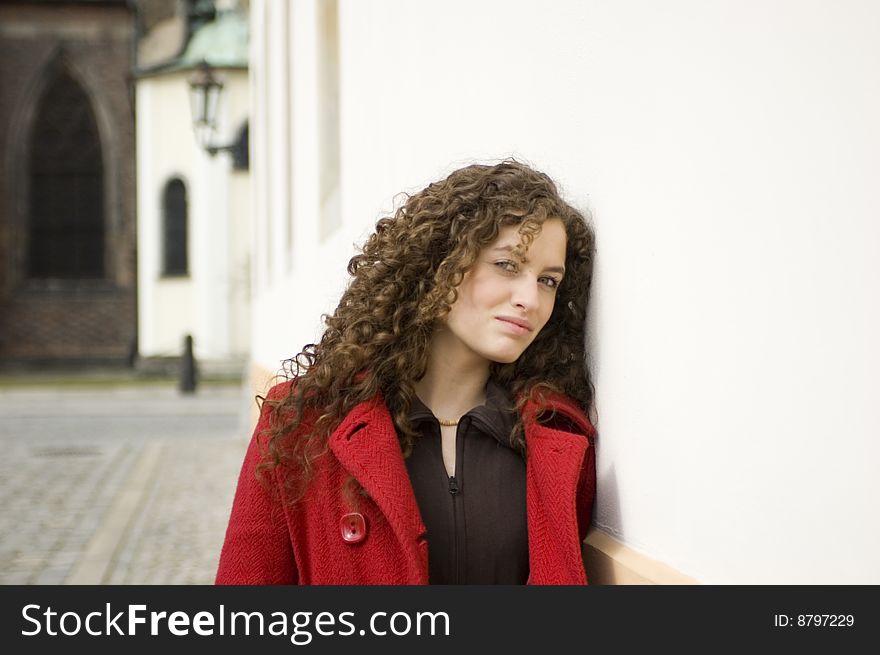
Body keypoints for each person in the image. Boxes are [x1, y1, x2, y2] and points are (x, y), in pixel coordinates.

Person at [216, 160, 597, 585]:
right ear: (440, 264)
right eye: (507, 265)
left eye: (548, 280)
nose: (530, 298)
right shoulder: (299, 424)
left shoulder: (558, 440)